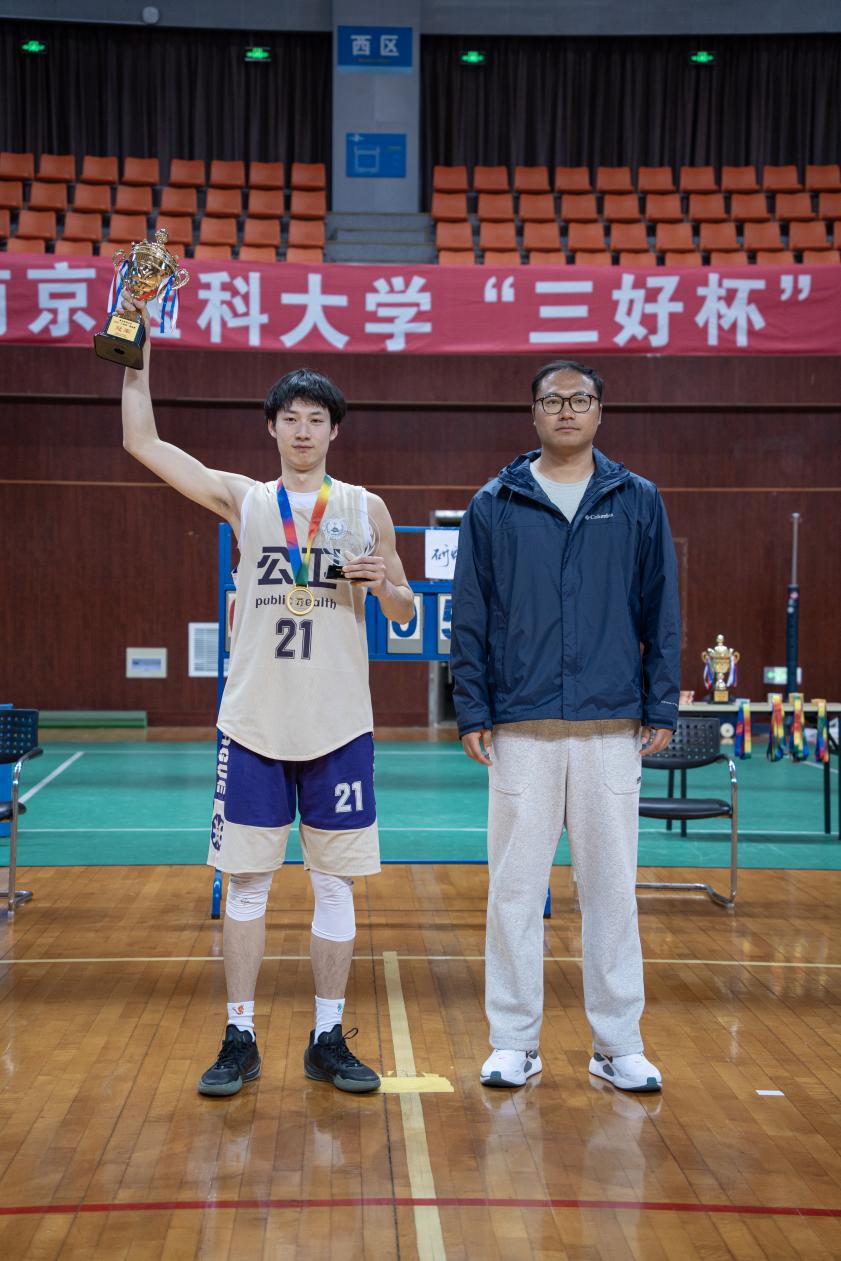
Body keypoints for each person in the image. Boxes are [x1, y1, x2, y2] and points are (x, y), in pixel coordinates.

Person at [120, 296, 415, 1097]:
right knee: (246, 883)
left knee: (333, 883)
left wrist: (383, 582)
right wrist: (135, 342)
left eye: (316, 418)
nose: (303, 429)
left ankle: (326, 1034)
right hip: (253, 724)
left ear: (333, 430)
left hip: (338, 726)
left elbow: (404, 613)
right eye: (290, 417)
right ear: (272, 429)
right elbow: (142, 441)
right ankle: (240, 1034)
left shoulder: (365, 508)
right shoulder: (245, 500)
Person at [450, 359, 680, 1093]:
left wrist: (661, 703)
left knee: (611, 891)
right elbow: (470, 614)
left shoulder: (636, 500)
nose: (567, 410)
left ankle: (618, 1045)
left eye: (580, 399)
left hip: (611, 723)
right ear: (534, 413)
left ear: (600, 412)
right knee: (514, 891)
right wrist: (472, 707)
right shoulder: (494, 503)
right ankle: (513, 1041)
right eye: (553, 400)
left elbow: (661, 609)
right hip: (521, 725)